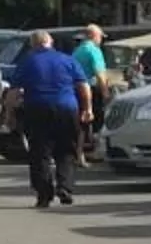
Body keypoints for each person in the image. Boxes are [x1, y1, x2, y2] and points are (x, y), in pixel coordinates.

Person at [6, 28, 92, 208]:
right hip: (67, 107)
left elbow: (13, 92)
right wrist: (87, 108)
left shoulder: (27, 62)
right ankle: (65, 187)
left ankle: (44, 194)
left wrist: (10, 114)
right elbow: (83, 86)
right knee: (67, 150)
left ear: (32, 45)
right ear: (50, 43)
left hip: (37, 108)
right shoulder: (68, 60)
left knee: (40, 152)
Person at [71, 25, 111, 164]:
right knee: (98, 120)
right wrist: (105, 92)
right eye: (100, 37)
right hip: (92, 89)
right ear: (95, 36)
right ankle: (96, 151)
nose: (101, 40)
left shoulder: (77, 50)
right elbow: (100, 73)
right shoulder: (94, 50)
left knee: (81, 122)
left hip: (76, 89)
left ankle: (79, 153)